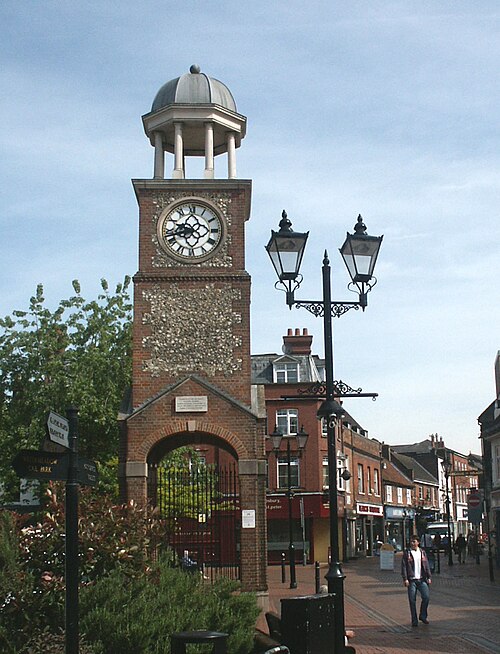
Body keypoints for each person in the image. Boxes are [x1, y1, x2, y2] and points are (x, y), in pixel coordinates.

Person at [401, 534, 432, 627]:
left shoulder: (422, 552)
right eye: (411, 541)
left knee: (426, 597)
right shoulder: (407, 553)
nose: (412, 543)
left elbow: (426, 565)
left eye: (414, 541)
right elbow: (404, 567)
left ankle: (423, 615)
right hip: (412, 580)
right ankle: (414, 620)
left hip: (422, 579)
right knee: (412, 600)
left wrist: (429, 576)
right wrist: (405, 578)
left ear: (418, 542)